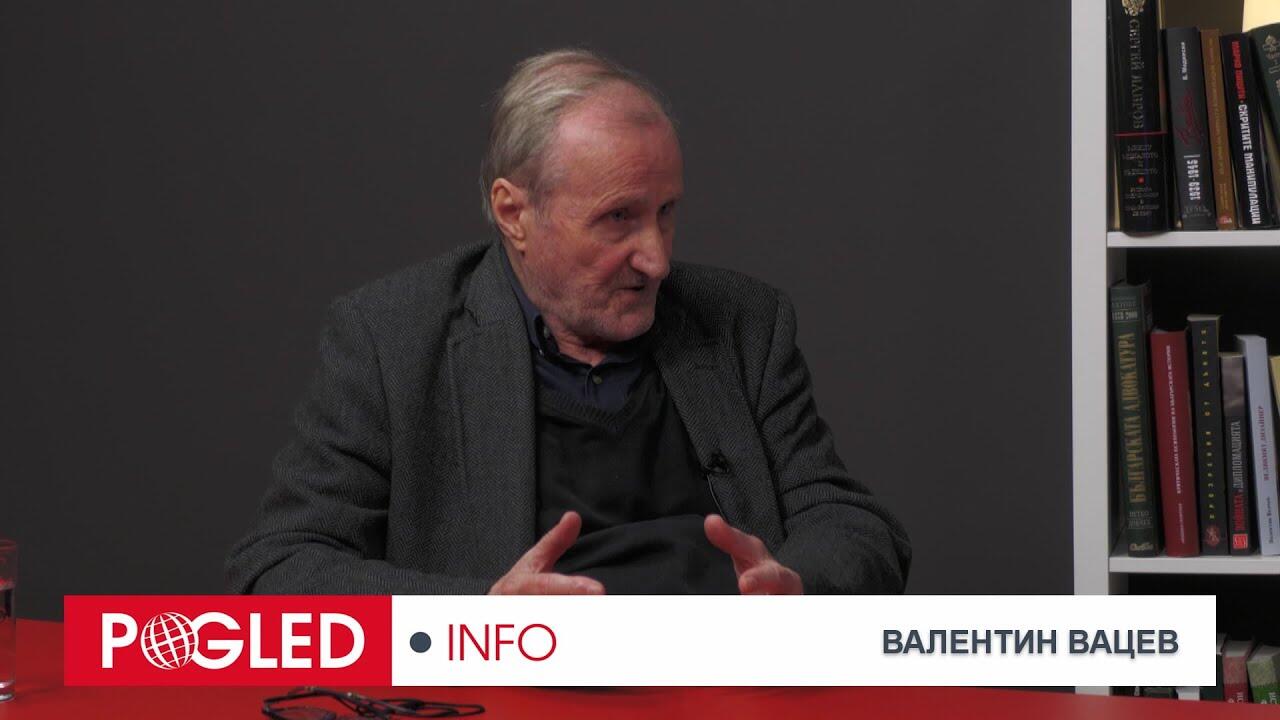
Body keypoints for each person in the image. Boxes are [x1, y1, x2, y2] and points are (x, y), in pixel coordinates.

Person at [225, 48, 910, 596]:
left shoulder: (742, 323)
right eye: (619, 218)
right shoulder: (392, 338)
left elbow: (852, 524)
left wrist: (797, 588)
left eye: (666, 212)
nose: (656, 260)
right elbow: (278, 569)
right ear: (515, 214)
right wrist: (487, 621)